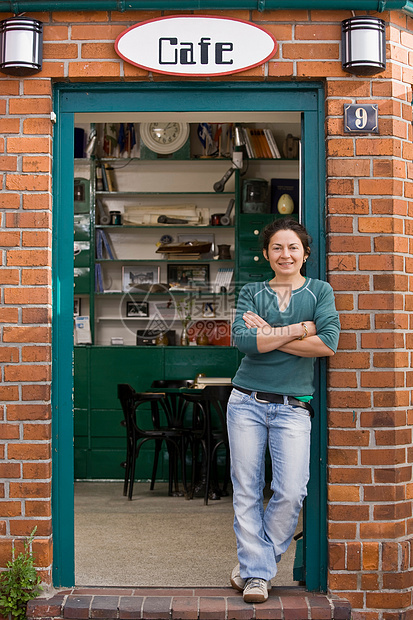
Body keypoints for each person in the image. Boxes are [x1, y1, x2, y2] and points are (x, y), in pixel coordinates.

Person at [227, 217, 340, 603]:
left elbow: (327, 344)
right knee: (246, 490)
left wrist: (270, 335)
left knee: (291, 490)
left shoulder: (320, 291)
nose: (285, 254)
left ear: (305, 254)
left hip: (293, 408)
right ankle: (259, 576)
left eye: (293, 247)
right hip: (245, 402)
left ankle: (254, 567)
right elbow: (244, 342)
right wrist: (297, 330)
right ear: (266, 254)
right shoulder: (253, 291)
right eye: (277, 247)